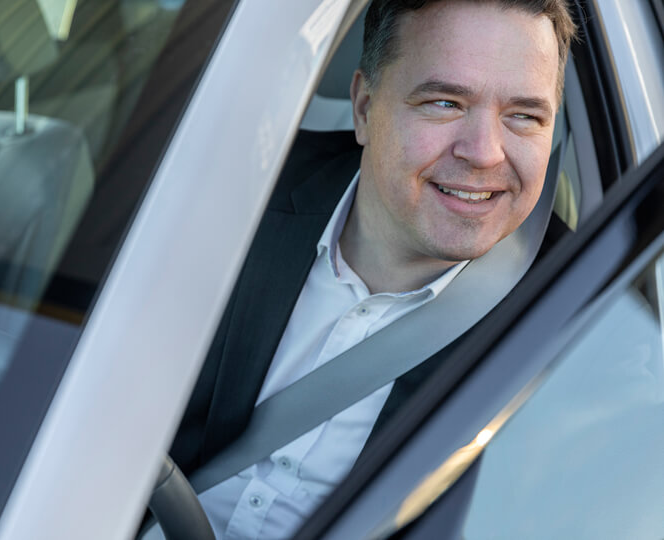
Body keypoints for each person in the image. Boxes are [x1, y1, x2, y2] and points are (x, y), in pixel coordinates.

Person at [170, 0, 577, 538]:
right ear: (364, 108)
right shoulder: (231, 191)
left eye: (524, 116)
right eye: (445, 103)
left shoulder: (582, 314)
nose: (483, 153)